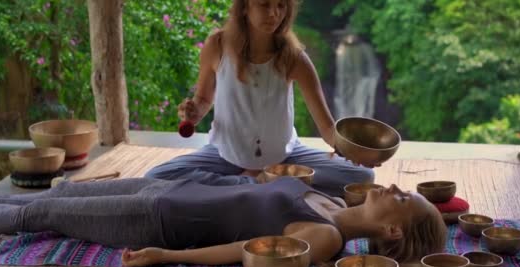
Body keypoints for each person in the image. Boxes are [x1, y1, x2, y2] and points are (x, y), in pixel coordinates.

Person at [0, 174, 446, 267]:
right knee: (64, 191)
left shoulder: (327, 237)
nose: (396, 188)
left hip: (157, 219)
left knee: (43, 213)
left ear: (393, 230)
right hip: (169, 190)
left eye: (401, 200)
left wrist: (167, 256)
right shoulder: (330, 200)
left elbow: (244, 250)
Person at [144, 0, 374, 197]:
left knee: (363, 176)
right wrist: (193, 113)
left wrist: (352, 151)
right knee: (156, 177)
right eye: (264, 4)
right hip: (225, 154)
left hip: (285, 158)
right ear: (245, 6)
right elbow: (203, 98)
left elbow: (326, 127)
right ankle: (256, 184)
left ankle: (247, 187)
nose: (274, 13)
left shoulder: (295, 58)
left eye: (280, 5)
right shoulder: (217, 46)